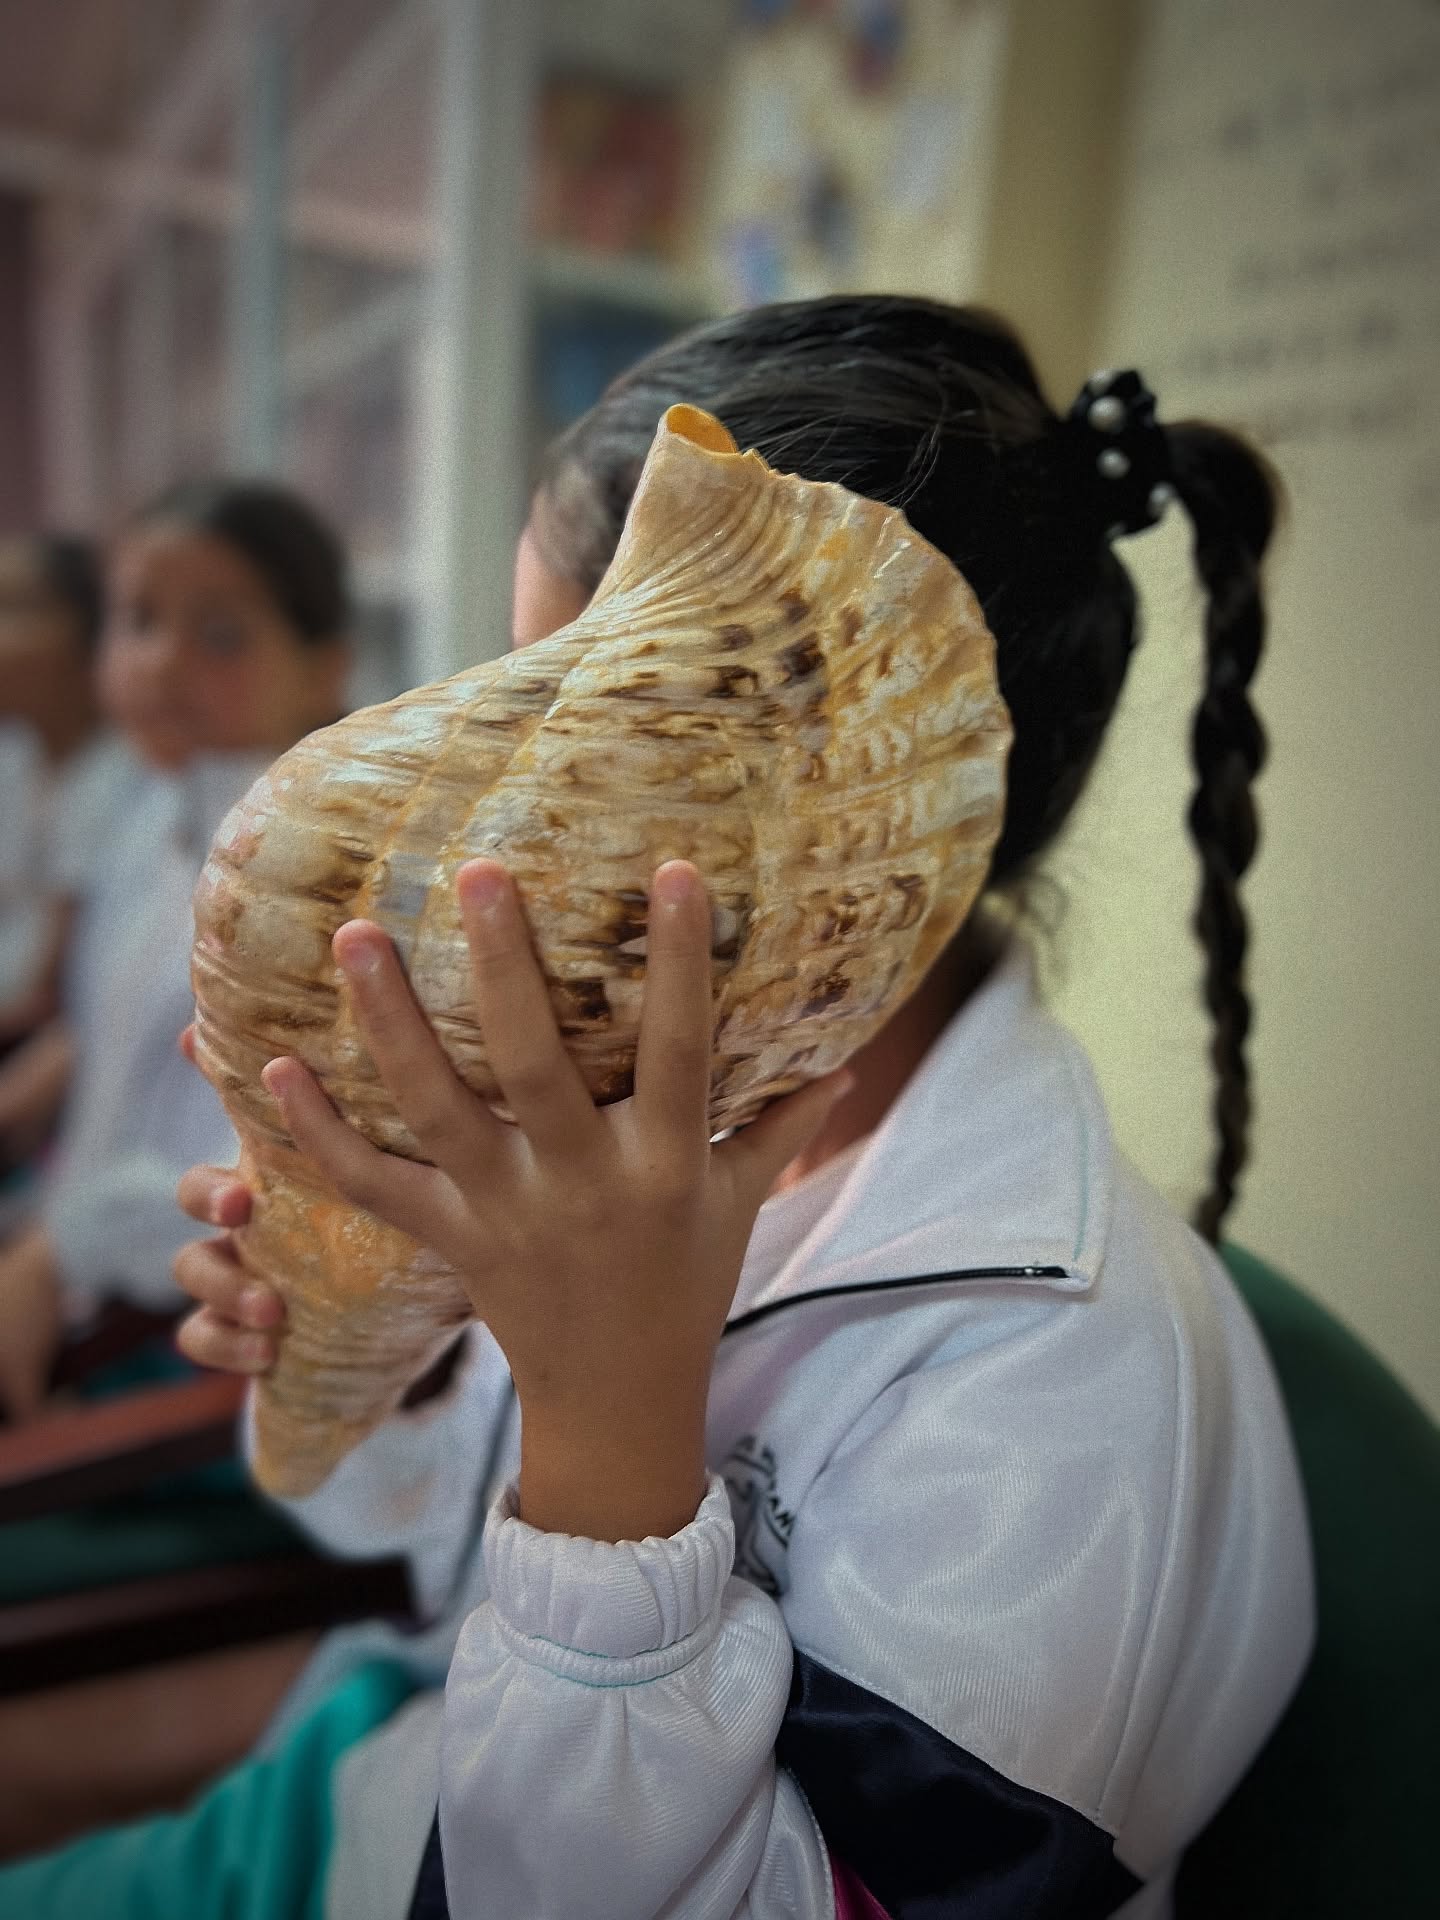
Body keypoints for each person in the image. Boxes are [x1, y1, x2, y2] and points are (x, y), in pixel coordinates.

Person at [0, 297, 1313, 1919]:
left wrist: (613, 1433)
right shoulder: (617, 1127)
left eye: (554, 720)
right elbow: (439, 1568)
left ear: (783, 809)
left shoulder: (1066, 1410)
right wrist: (382, 1365)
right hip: (381, 1779)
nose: (488, 789)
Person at [0, 481, 351, 1422]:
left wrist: (60, 1250)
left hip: (193, 1340)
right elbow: (128, 1033)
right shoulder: (155, 813)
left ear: (326, 667)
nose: (159, 660)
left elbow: (281, 1186)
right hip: (77, 1247)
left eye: (221, 633)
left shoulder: (314, 876)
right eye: (138, 620)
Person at [0, 534, 137, 1208]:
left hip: (48, 1067)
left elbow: (50, 992)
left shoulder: (122, 782)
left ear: (89, 637)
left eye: (18, 609)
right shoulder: (15, 760)